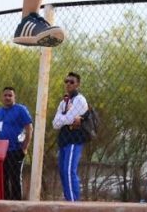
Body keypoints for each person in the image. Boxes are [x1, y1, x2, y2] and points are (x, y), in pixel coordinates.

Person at [0, 86, 33, 200]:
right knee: (2, 179)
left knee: (14, 179)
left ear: (14, 97)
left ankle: (16, 206)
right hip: (1, 153)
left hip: (15, 150)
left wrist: (24, 147)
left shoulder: (21, 110)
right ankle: (4, 205)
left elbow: (29, 128)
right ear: (2, 97)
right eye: (5, 95)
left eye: (10, 95)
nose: (7, 97)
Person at [52, 73, 89, 201]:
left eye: (71, 82)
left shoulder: (80, 100)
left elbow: (65, 119)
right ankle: (69, 200)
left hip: (74, 139)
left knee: (69, 171)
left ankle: (73, 204)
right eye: (66, 81)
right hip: (63, 140)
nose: (68, 84)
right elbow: (55, 123)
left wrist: (64, 118)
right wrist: (66, 118)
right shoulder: (64, 102)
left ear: (78, 84)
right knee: (63, 172)